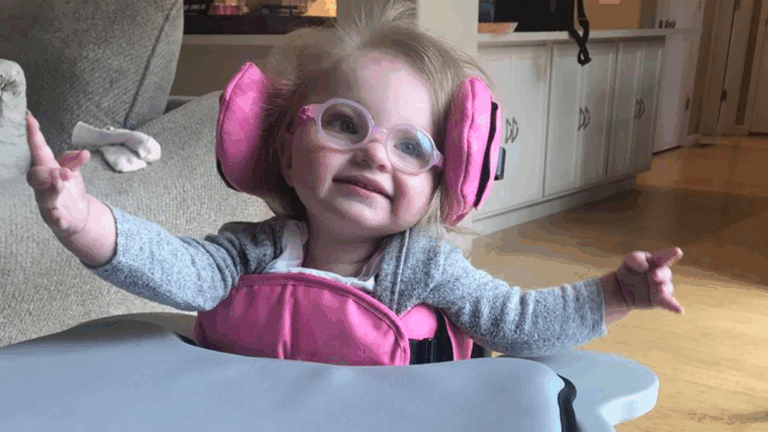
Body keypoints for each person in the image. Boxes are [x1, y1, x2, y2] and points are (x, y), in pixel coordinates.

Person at [25, 0, 683, 362]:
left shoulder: (425, 268)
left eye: (410, 146)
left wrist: (613, 296)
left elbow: (518, 322)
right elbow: (171, 265)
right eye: (345, 123)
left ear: (444, 180)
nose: (374, 155)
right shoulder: (250, 252)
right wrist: (83, 218)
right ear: (283, 152)